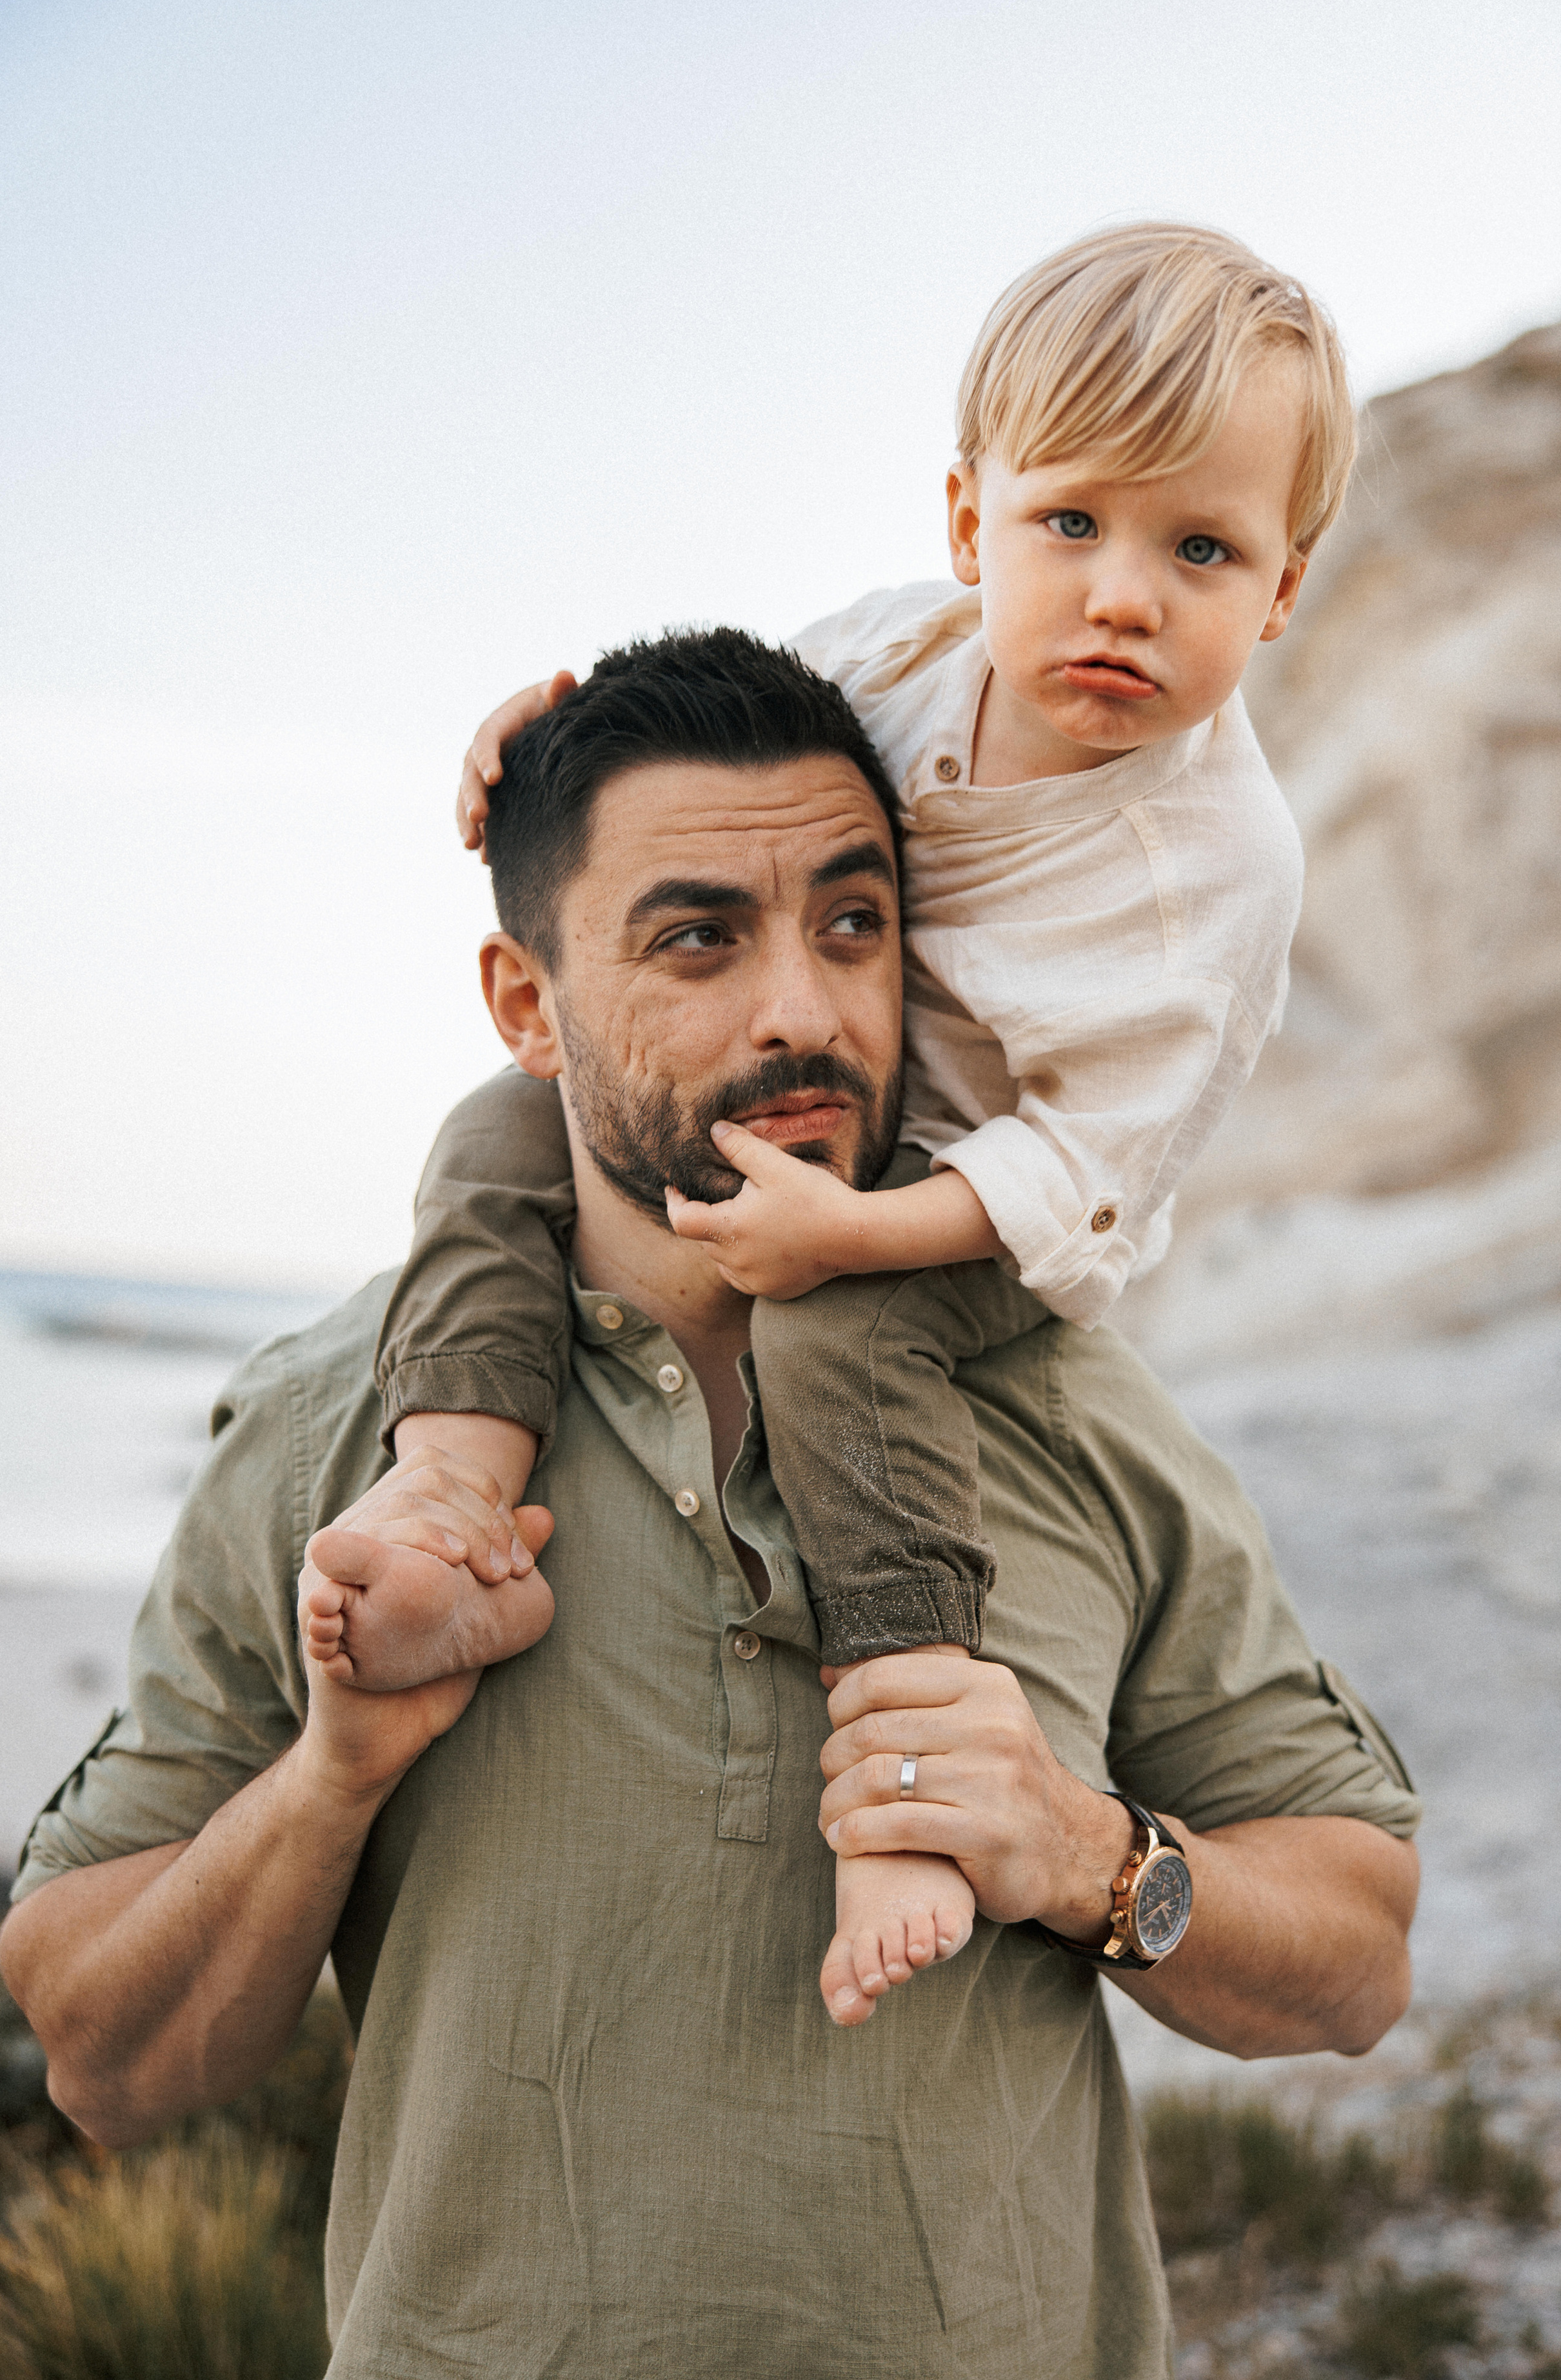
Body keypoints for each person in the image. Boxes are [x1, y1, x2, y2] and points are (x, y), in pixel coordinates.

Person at [1, 629, 1420, 2379]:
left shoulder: (1071, 1403)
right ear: (528, 1006)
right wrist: (339, 1769)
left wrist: (1089, 1857)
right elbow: (105, 2056)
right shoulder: (333, 1434)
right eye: (697, 940)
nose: (804, 1012)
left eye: (853, 923)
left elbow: (1357, 1951)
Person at [373, 221, 1352, 2019]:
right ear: (973, 525)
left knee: (836, 1346)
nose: (1123, 594)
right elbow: (728, 729)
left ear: (1281, 594)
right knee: (487, 1141)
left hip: (981, 1209)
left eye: (1201, 549)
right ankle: (453, 1479)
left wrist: (859, 1236)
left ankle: (901, 1757)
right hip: (829, 1106)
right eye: (1072, 525)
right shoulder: (910, 650)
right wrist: (556, 723)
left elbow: (1088, 1167)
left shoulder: (1214, 867)